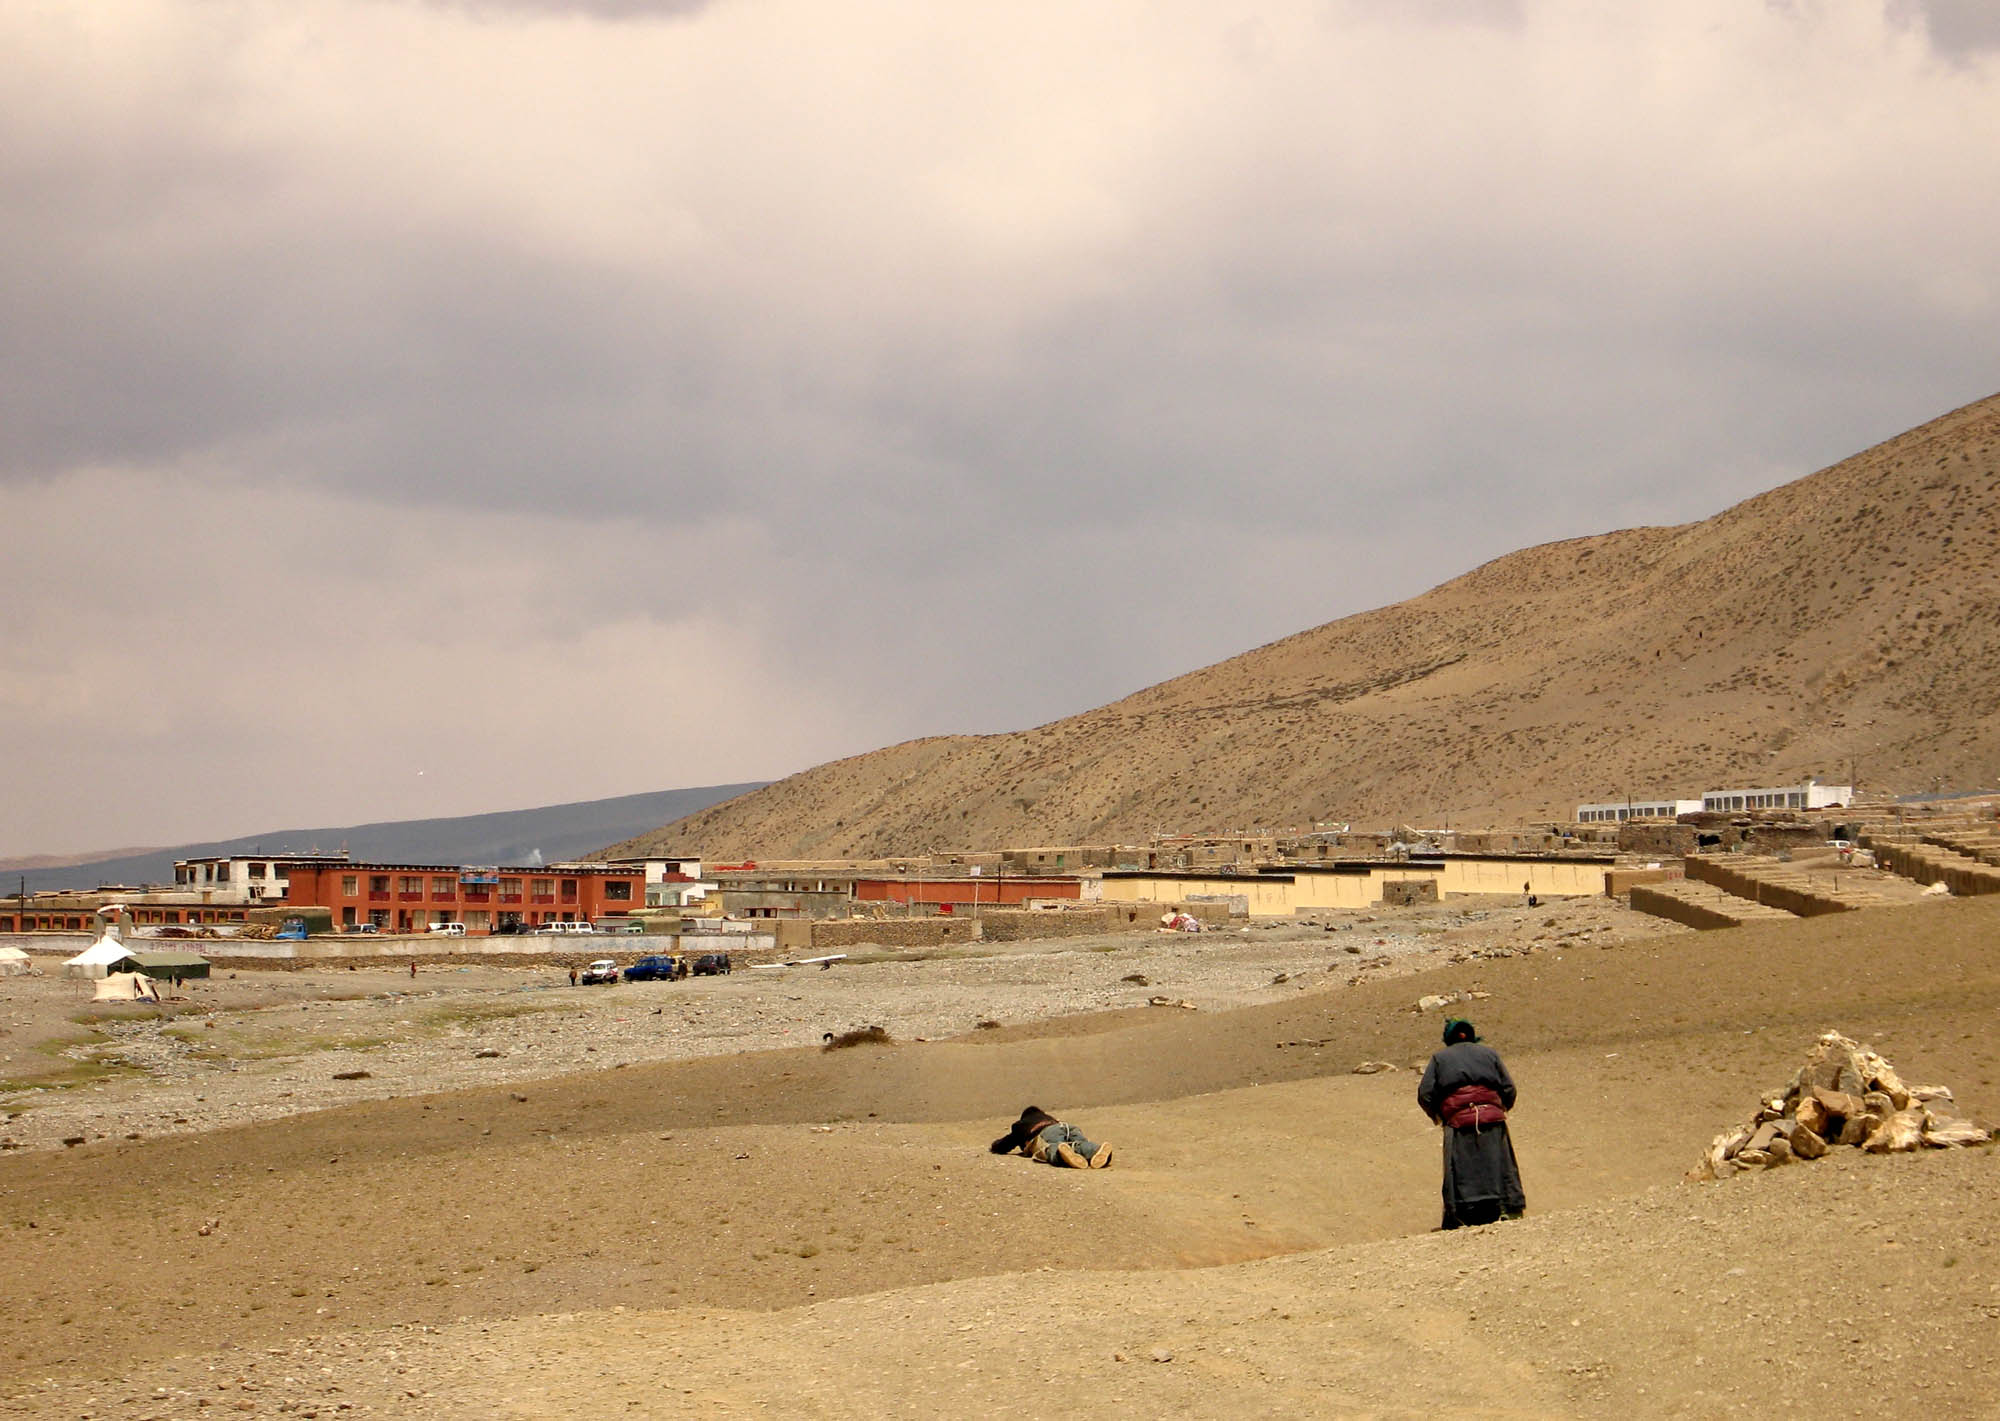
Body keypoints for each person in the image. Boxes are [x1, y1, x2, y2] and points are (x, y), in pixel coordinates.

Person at [1417, 1019, 1526, 1229]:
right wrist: (1500, 1108)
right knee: (1500, 1165)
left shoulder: (1440, 1059)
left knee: (1460, 1169)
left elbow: (1425, 1094)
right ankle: (1508, 1208)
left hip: (1458, 1124)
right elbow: (1508, 1088)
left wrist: (1440, 1116)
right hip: (1493, 1120)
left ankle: (1461, 1216)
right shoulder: (1490, 1054)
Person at [989, 1106, 1113, 1169]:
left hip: (1047, 1132)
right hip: (1066, 1126)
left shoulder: (1021, 1124)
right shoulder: (1049, 1118)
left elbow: (1005, 1144)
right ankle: (1096, 1150)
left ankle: (1060, 1154)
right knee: (1078, 1143)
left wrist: (995, 1145)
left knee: (1050, 1147)